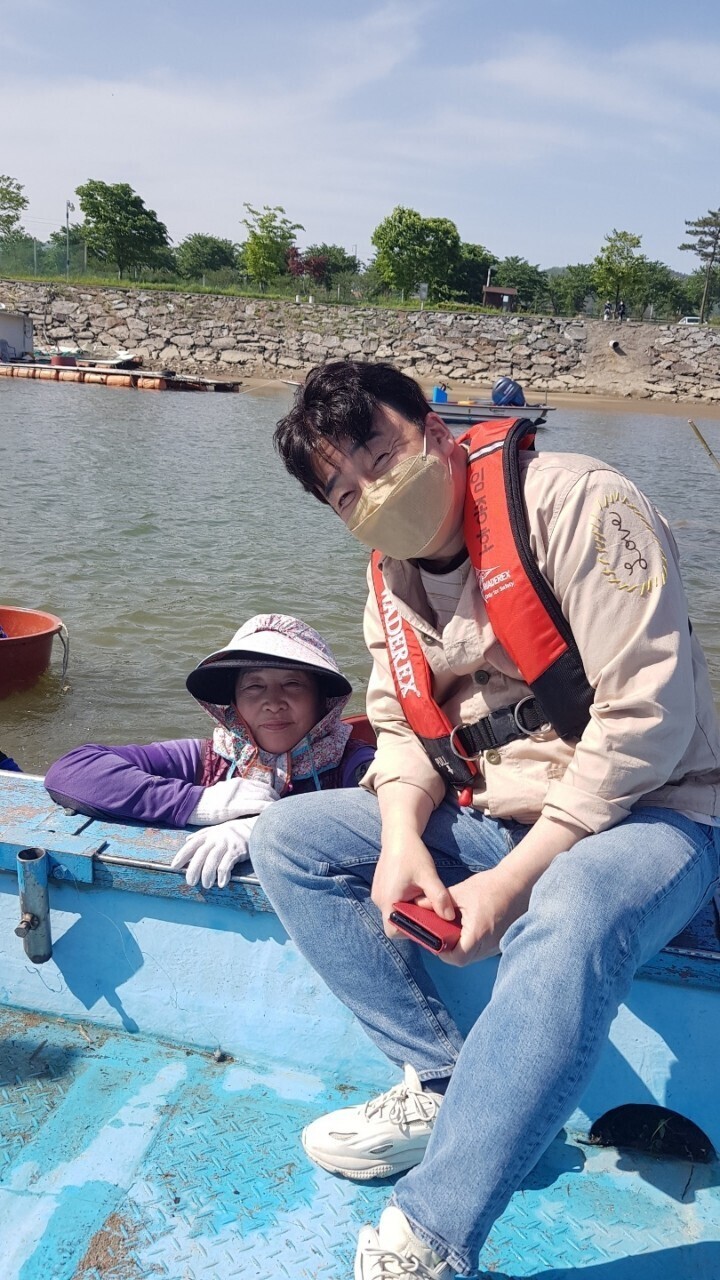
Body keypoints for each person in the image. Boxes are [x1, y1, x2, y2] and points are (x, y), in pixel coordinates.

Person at [248, 360, 720, 1278]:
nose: (373, 493)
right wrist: (398, 838)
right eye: (344, 493)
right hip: (498, 808)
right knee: (289, 840)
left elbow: (647, 717)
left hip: (656, 814)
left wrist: (512, 882)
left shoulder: (580, 504)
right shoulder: (390, 580)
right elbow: (398, 724)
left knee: (572, 904)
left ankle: (431, 1238)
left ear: (434, 428)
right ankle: (441, 1081)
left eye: (379, 455)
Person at [45, 614, 374, 889]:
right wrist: (195, 802)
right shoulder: (209, 759)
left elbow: (392, 814)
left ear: (323, 701)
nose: (273, 702)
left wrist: (270, 829)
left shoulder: (353, 763)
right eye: (254, 686)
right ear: (233, 704)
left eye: (292, 684)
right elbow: (72, 771)